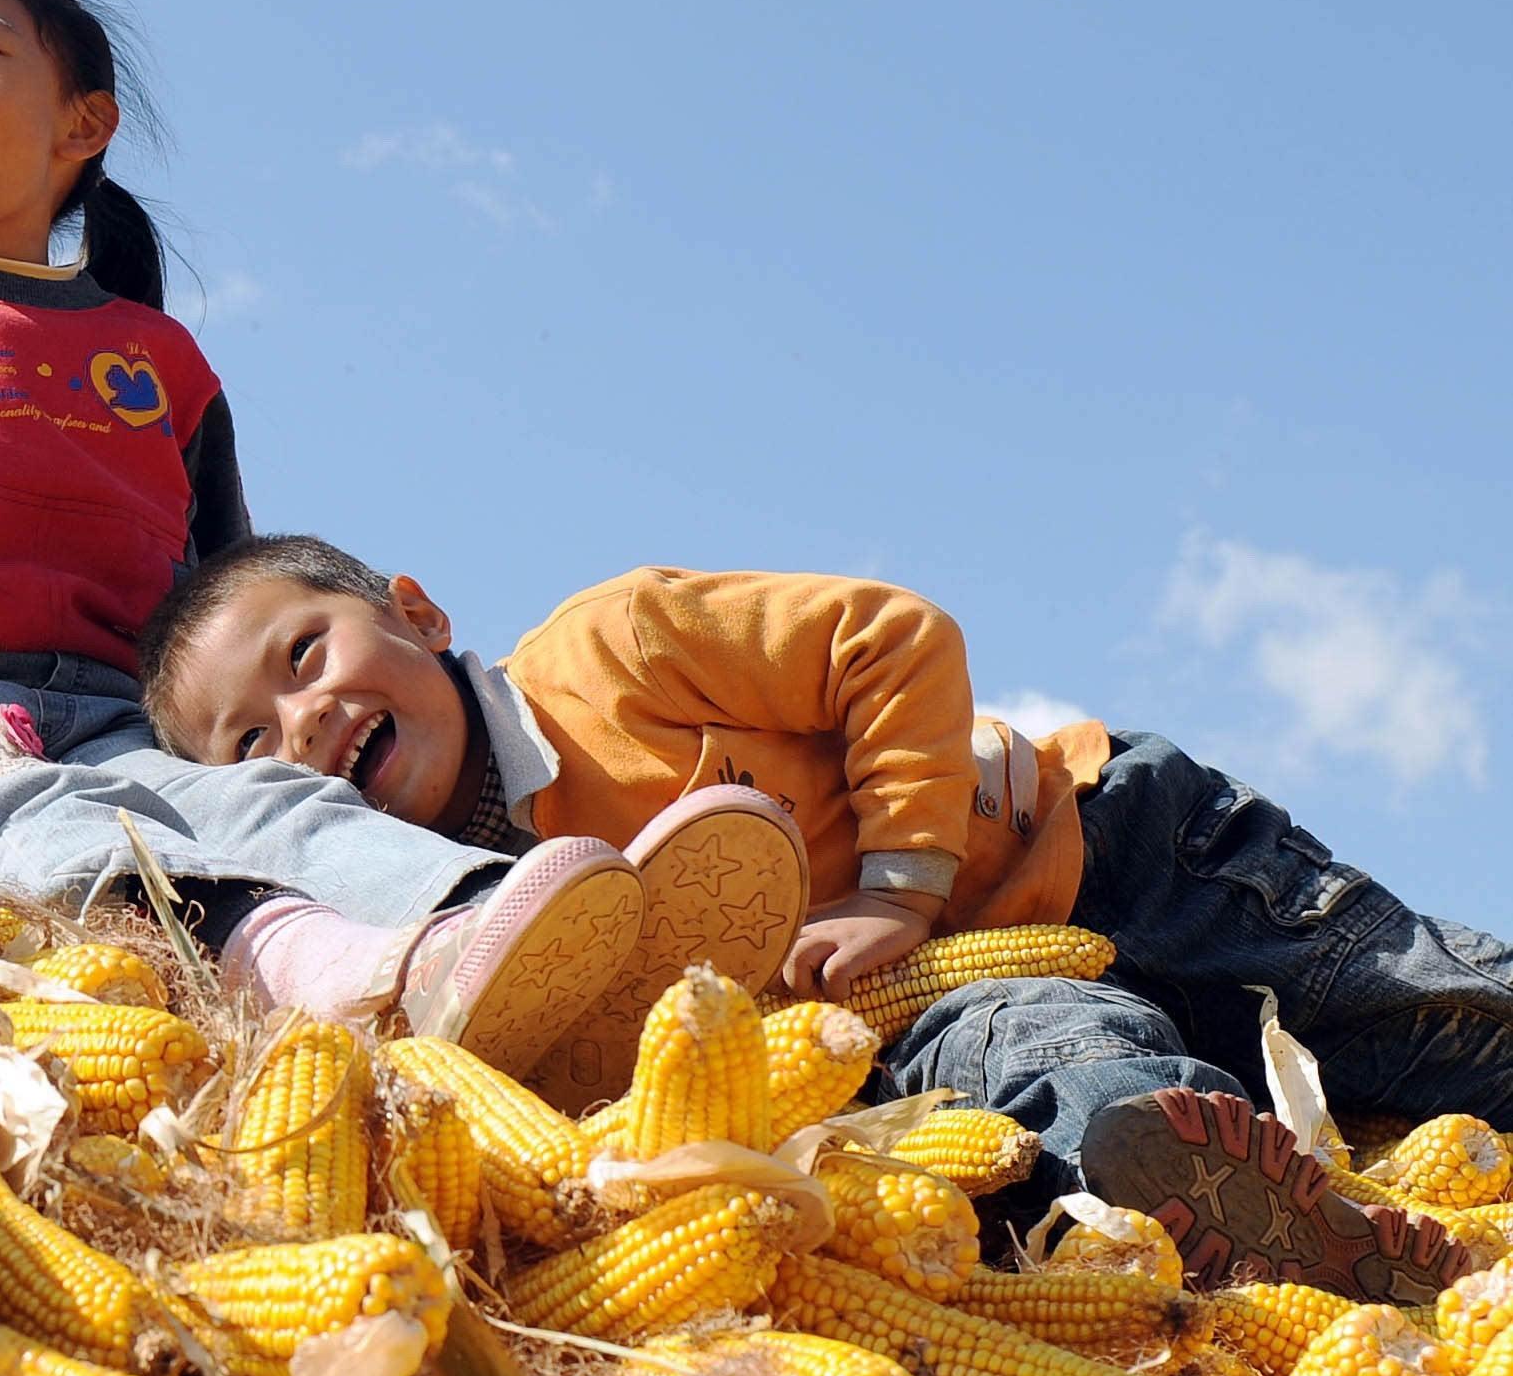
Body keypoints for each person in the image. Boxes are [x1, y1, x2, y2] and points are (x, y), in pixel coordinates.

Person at [0, 0, 809, 1077]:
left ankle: (506, 925)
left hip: (118, 717)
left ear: (85, 124)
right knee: (42, 828)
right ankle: (332, 971)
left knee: (269, 799)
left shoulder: (161, 368)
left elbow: (217, 609)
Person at [137, 534, 1513, 1301]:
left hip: (1097, 845)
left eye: (306, 655)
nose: (305, 722)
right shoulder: (483, 933)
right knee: (1060, 1067)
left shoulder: (611, 648)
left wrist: (895, 883)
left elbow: (890, 636)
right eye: (252, 740)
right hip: (955, 1000)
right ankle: (1243, 1226)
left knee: (1419, 1005)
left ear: (418, 610)